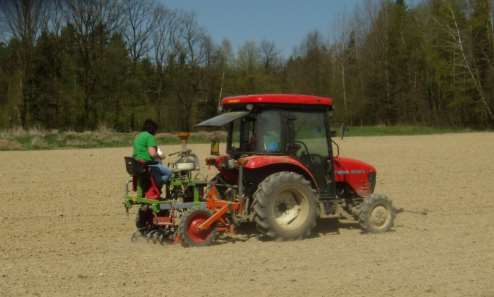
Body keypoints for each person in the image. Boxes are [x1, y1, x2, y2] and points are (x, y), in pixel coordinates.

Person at [132, 119, 172, 187]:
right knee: (168, 172)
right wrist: (160, 157)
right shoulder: (149, 136)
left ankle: (151, 186)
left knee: (157, 172)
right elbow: (152, 154)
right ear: (153, 129)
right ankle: (155, 186)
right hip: (147, 164)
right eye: (155, 130)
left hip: (137, 164)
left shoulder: (138, 136)